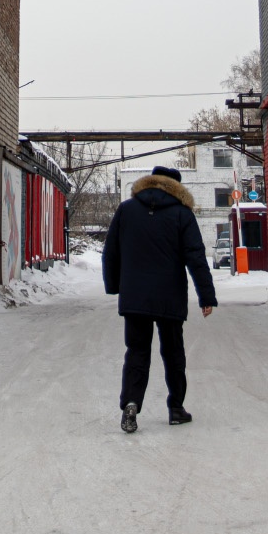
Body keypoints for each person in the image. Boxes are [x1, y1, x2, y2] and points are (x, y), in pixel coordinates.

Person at [101, 164, 216, 433]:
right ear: (176, 187)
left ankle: (130, 404)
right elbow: (195, 257)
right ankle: (176, 408)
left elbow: (111, 252)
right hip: (170, 297)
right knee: (173, 352)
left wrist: (115, 286)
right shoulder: (182, 214)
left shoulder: (126, 210)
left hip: (136, 297)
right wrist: (206, 296)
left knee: (137, 352)